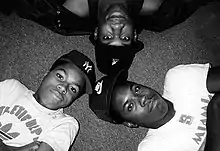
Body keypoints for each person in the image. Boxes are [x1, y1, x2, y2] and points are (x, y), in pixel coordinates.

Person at [1, 0, 216, 75]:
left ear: (96, 33)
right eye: (124, 37)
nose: (117, 27)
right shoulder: (159, 9)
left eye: (107, 36)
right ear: (134, 34)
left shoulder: (70, 9)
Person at [89, 63, 220, 151]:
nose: (142, 98)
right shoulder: (151, 150)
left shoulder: (179, 79)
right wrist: (214, 109)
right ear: (130, 123)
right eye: (130, 106)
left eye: (136, 89)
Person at [0, 50, 96, 151]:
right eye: (60, 76)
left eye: (73, 89)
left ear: (74, 99)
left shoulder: (65, 124)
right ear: (46, 74)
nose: (63, 87)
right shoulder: (12, 87)